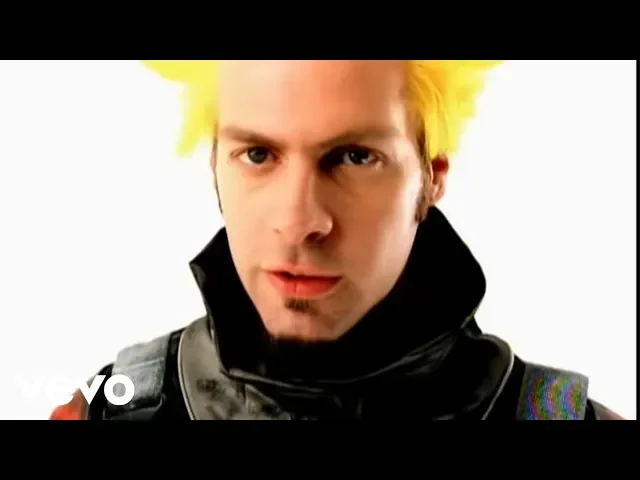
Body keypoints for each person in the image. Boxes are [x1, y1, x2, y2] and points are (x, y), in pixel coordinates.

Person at [50, 60, 623, 420]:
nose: (299, 221)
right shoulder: (106, 406)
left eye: (354, 157)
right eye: (258, 154)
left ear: (432, 177)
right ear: (215, 166)